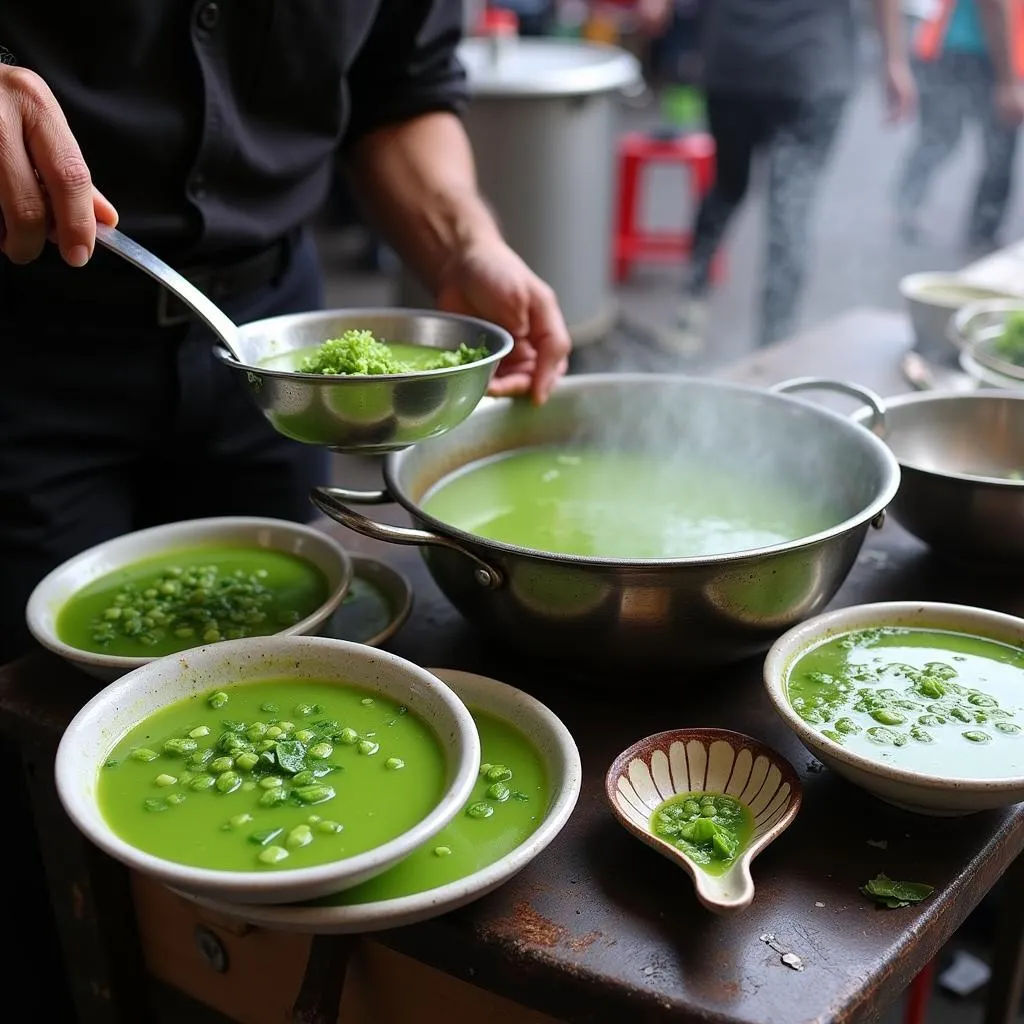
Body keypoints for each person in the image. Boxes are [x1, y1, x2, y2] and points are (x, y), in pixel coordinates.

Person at [0, 3, 570, 1014]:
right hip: (24, 343)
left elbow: (399, 86)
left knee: (300, 662)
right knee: (36, 754)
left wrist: (460, 243)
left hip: (276, 351)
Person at [637, 0, 912, 351]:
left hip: (749, 60)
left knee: (732, 188)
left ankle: (697, 311)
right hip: (804, 64)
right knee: (788, 206)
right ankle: (772, 345)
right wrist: (895, 60)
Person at [894, 0, 1024, 254]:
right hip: (978, 54)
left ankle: (906, 204)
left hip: (951, 48)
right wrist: (1007, 82)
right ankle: (981, 236)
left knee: (940, 138)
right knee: (996, 151)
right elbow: (995, 6)